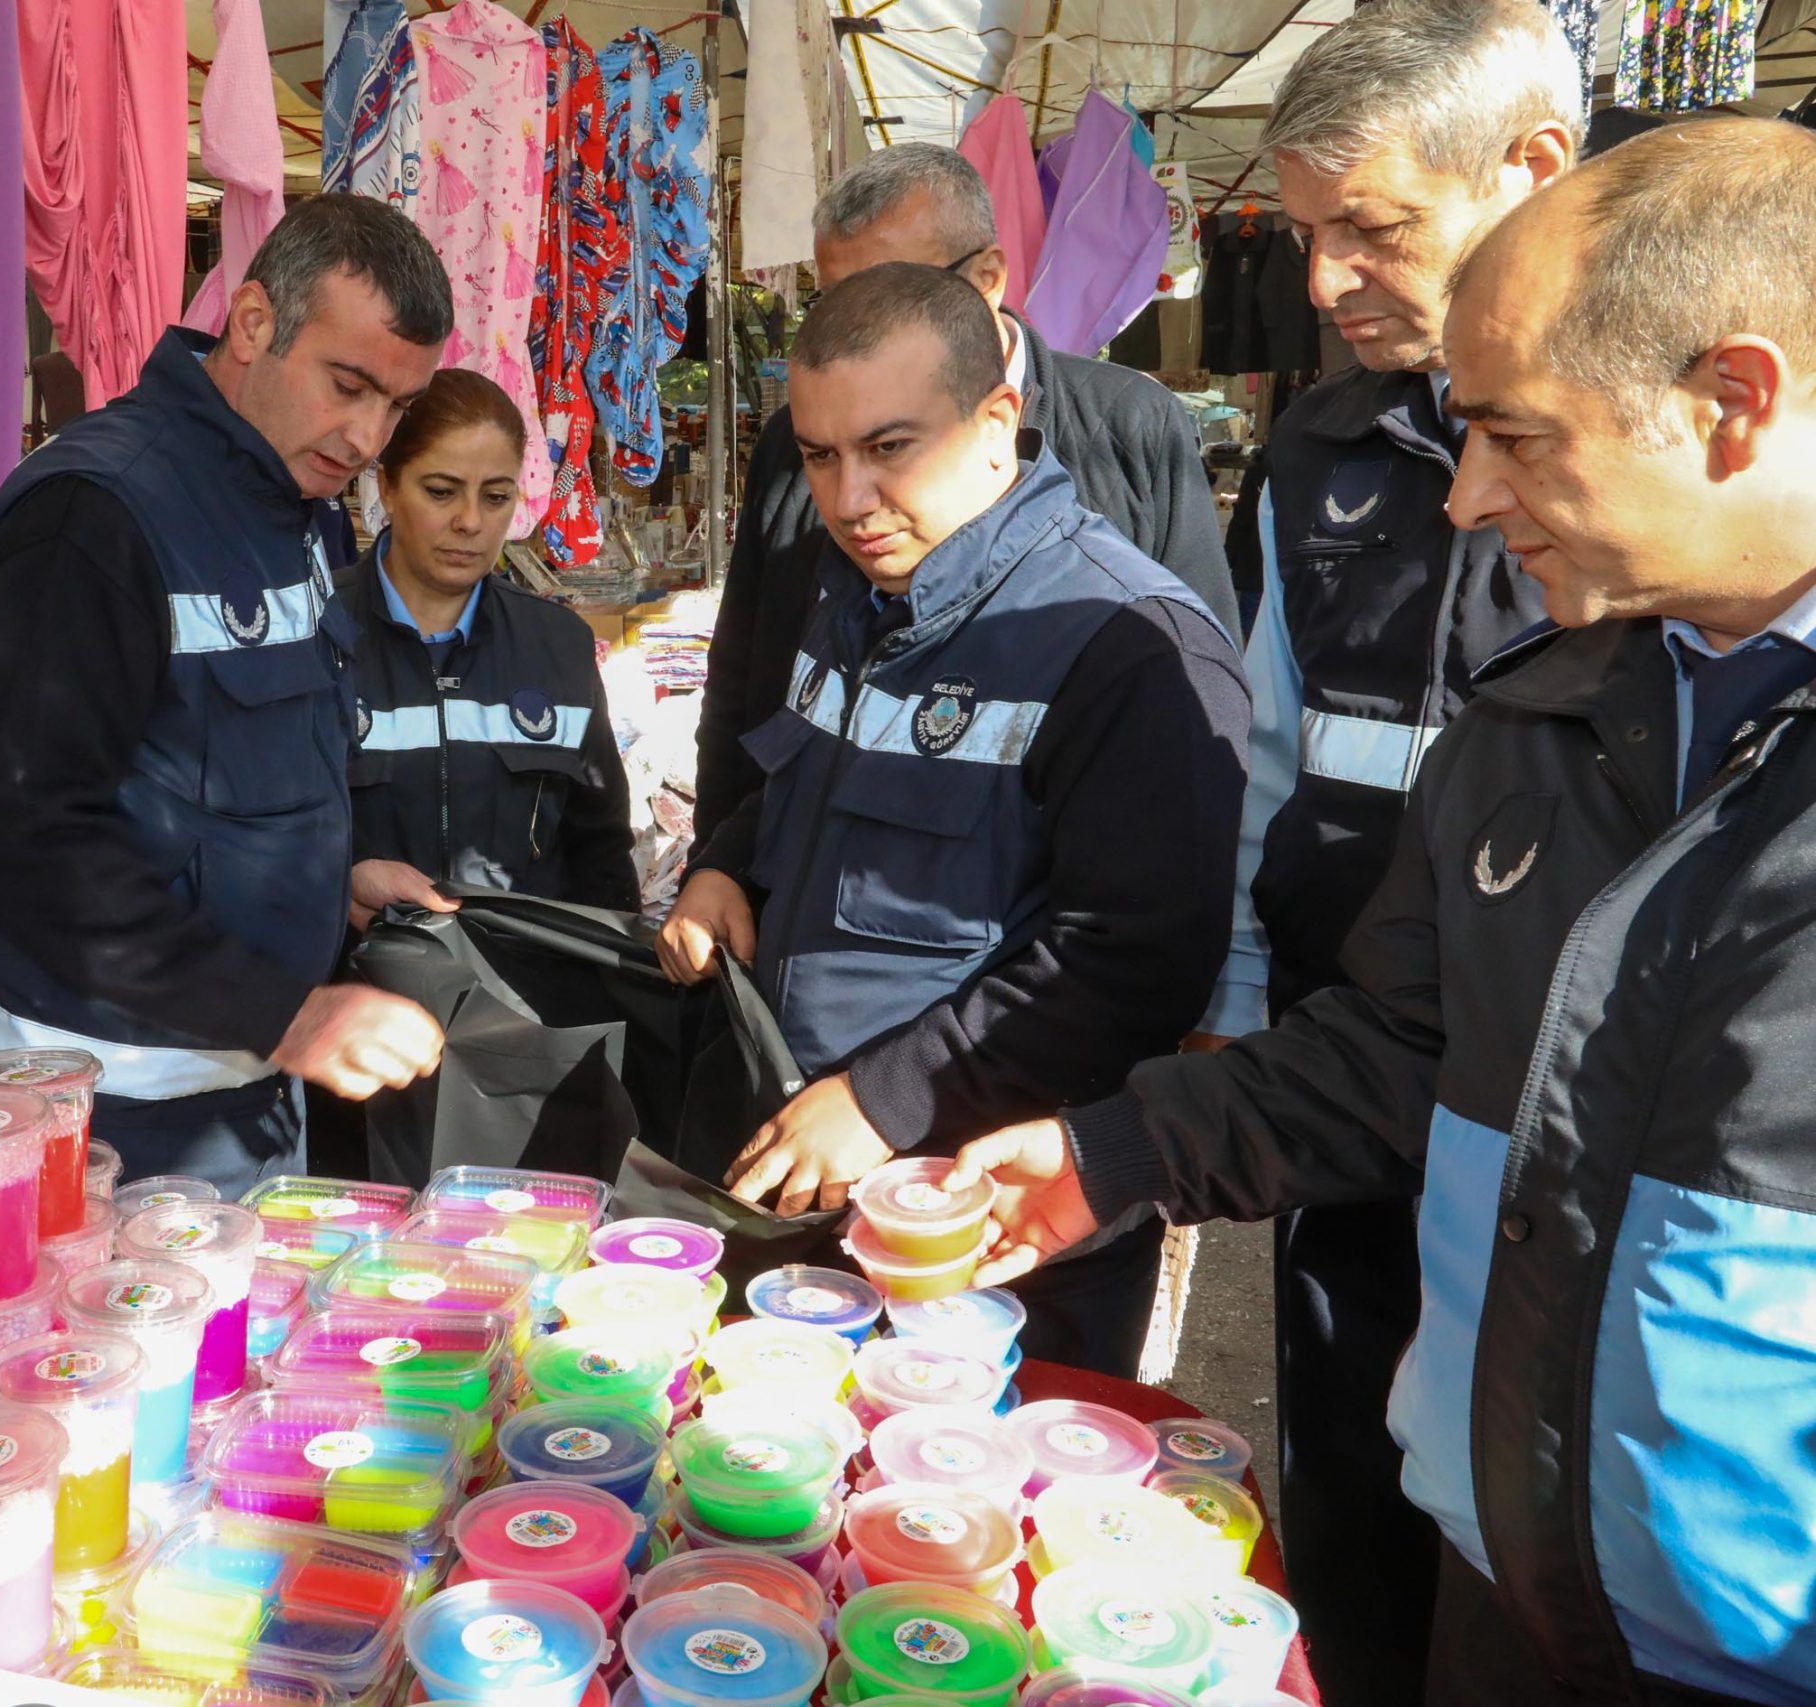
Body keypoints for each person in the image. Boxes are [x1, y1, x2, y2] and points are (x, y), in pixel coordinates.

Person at [953, 117, 1816, 1705]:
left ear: (1733, 401)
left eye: (1514, 435)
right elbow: (1410, 1043)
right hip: (1502, 1593)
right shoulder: (1534, 721)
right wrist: (1113, 1153)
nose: (1468, 497)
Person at [1189, 6, 1581, 1694]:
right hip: (1345, 1048)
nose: (1328, 279)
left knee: (1534, 1518)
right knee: (1348, 1460)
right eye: (1306, 234)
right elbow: (1265, 738)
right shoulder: (1317, 448)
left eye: (1374, 229)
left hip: (1559, 1087)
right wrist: (1237, 989)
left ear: (1532, 170)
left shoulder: (1669, 454)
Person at [657, 264, 1249, 1377]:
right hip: (811, 1187)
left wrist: (885, 1100)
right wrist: (727, 865)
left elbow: (1134, 964)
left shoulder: (1129, 643)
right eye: (818, 456)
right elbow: (799, 777)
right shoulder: (856, 589)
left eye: (889, 448)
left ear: (995, 422)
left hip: (997, 1238)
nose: (848, 498)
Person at [0, 196, 454, 1199]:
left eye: (397, 407)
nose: (367, 437)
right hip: (100, 1104)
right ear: (255, 321)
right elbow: (33, 845)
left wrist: (334, 877)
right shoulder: (91, 513)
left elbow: (234, 767)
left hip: (249, 1082)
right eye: (348, 385)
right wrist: (287, 1014)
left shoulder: (296, 501)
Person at [696, 142, 1237, 846]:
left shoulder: (1128, 427)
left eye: (896, 296)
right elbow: (743, 678)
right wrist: (719, 862)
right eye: (836, 303)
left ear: (987, 277)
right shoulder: (792, 446)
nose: (852, 496)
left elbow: (1196, 695)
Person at [345, 368, 637, 913]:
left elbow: (601, 855)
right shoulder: (313, 632)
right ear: (386, 486)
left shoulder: (558, 647)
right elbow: (257, 836)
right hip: (354, 964)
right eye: (441, 492)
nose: (470, 521)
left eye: (497, 496)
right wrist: (340, 885)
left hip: (525, 967)